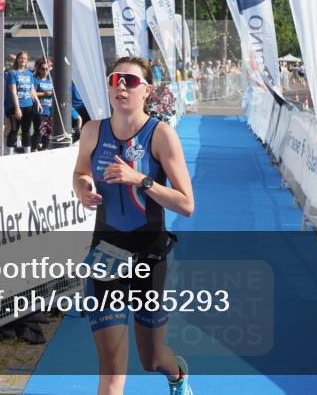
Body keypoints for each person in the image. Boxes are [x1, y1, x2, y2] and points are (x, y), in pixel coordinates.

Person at [72, 56, 195, 395]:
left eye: (131, 80)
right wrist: (82, 188)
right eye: (115, 79)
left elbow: (186, 204)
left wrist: (140, 179)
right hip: (107, 253)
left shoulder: (161, 135)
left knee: (152, 358)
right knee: (111, 372)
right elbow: (80, 171)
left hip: (149, 257)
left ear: (147, 91)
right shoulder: (93, 130)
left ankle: (178, 374)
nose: (122, 86)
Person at [7, 51, 37, 154]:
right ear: (17, 59)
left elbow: (32, 89)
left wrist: (37, 101)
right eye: (21, 58)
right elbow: (13, 92)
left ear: (27, 61)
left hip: (29, 105)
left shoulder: (29, 74)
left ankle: (27, 154)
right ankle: (9, 154)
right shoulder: (12, 73)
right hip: (17, 106)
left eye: (25, 58)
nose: (23, 60)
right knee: (14, 130)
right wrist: (17, 108)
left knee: (26, 130)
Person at [32, 57, 54, 151]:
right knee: (39, 131)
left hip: (49, 110)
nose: (45, 71)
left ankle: (45, 148)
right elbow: (32, 92)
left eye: (47, 69)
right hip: (39, 110)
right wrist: (44, 94)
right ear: (39, 69)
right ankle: (34, 149)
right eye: (43, 69)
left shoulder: (51, 81)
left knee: (48, 131)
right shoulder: (36, 80)